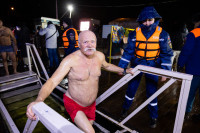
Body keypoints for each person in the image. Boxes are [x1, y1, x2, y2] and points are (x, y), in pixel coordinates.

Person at [26, 30, 133, 133]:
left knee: (86, 128)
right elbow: (53, 81)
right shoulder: (70, 60)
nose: (90, 45)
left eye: (92, 41)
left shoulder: (100, 56)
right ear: (79, 44)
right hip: (74, 103)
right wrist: (39, 100)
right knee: (90, 131)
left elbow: (107, 65)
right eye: (85, 42)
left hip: (91, 105)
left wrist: (124, 70)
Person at [118, 6, 173, 128]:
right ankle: (125, 109)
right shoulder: (134, 34)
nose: (147, 23)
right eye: (144, 20)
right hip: (136, 65)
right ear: (140, 20)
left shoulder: (163, 34)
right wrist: (121, 68)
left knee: (151, 92)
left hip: (153, 66)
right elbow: (128, 52)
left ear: (155, 19)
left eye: (150, 20)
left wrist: (165, 72)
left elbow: (167, 54)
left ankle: (153, 116)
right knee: (131, 89)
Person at [177, 13, 200, 120]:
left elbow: (186, 51)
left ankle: (186, 112)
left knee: (190, 92)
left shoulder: (194, 33)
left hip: (194, 70)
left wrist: (180, 64)